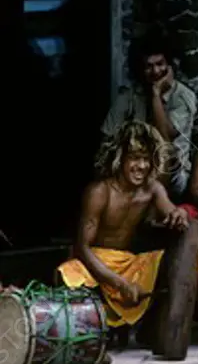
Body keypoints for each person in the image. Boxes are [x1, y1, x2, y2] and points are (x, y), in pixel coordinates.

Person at [58, 121, 190, 335]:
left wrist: (180, 214)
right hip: (96, 262)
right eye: (135, 158)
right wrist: (119, 283)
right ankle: (95, 332)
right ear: (119, 158)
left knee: (166, 262)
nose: (142, 166)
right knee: (70, 273)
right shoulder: (99, 192)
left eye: (146, 159)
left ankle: (152, 329)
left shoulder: (152, 189)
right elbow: (83, 248)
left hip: (128, 262)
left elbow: (172, 211)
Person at [101, 42, 197, 201]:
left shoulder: (183, 96)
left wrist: (156, 96)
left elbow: (166, 137)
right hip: (135, 164)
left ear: (169, 66)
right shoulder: (130, 96)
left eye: (160, 64)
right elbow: (107, 135)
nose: (156, 71)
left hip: (173, 172)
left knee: (166, 155)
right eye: (149, 66)